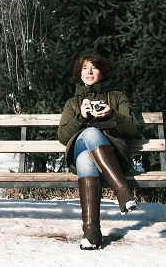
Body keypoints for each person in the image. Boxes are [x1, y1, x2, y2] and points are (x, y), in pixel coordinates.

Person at [57, 53, 140, 250]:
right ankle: (123, 193)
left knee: (86, 157)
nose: (90, 71)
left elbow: (133, 130)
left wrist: (112, 113)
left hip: (113, 154)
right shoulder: (73, 103)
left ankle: (91, 232)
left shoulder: (117, 97)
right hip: (78, 145)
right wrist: (81, 117)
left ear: (102, 73)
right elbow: (62, 136)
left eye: (94, 67)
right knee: (90, 133)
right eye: (85, 68)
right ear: (80, 73)